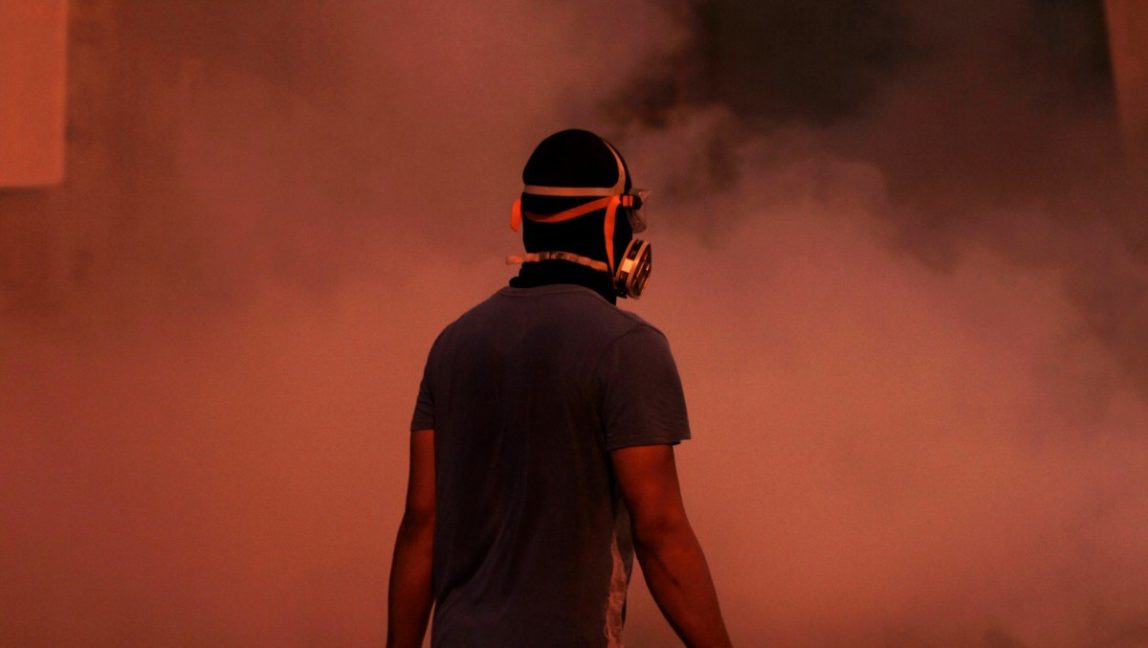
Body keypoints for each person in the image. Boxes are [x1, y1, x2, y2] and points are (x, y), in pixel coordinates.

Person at [387, 129, 731, 647]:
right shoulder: (628, 347)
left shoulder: (454, 343)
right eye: (630, 217)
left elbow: (421, 524)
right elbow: (660, 532)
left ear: (522, 219)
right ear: (612, 221)